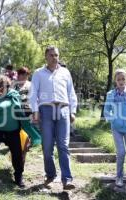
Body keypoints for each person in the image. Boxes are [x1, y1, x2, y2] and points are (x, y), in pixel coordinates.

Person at [29, 45, 77, 190]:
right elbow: (33, 94)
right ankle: (50, 174)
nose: (54, 58)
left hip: (63, 109)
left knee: (63, 145)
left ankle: (67, 179)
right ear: (46, 57)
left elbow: (71, 92)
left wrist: (72, 111)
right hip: (46, 110)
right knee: (48, 146)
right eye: (51, 55)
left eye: (56, 55)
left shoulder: (65, 72)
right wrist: (35, 111)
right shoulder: (38, 73)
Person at [0, 75, 41, 188]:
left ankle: (18, 176)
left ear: (8, 87)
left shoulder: (14, 95)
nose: (0, 90)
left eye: (3, 87)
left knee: (17, 154)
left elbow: (22, 110)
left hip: (12, 129)